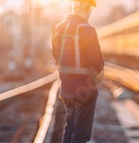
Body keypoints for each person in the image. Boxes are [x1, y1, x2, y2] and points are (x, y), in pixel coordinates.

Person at [51, 0, 104, 142]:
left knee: (70, 128)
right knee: (81, 134)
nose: (90, 14)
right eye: (90, 10)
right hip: (85, 89)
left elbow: (57, 57)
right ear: (85, 8)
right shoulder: (87, 30)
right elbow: (97, 62)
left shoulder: (58, 29)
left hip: (66, 88)